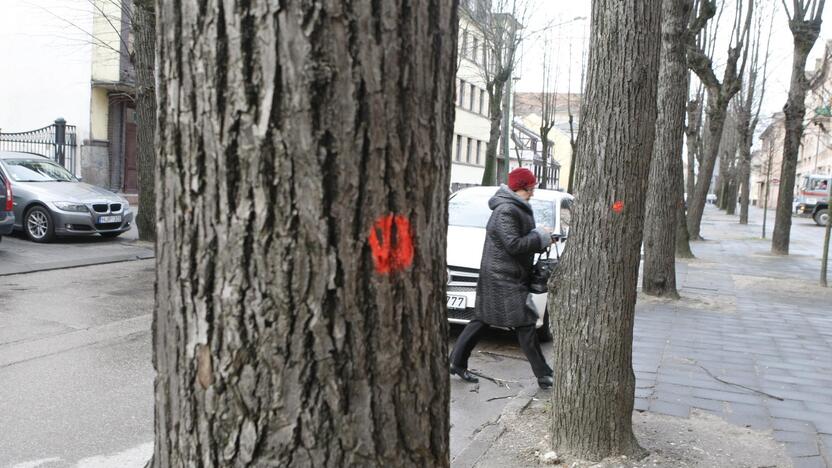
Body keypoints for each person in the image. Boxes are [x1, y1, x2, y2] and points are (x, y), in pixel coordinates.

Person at [449, 167, 555, 389]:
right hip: (502, 278)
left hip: (507, 275)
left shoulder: (515, 207)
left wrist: (544, 238)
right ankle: (544, 375)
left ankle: (457, 362)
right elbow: (514, 244)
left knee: (481, 319)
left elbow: (518, 241)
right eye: (531, 188)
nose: (533, 192)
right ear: (521, 188)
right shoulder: (506, 210)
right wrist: (540, 236)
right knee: (525, 323)